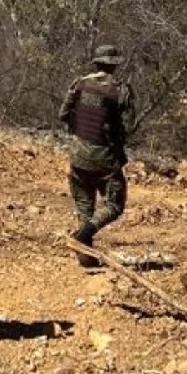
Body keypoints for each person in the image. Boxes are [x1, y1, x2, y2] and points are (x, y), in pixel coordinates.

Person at [59, 45, 133, 267]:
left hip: (78, 154)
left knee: (84, 204)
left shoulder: (79, 84)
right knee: (115, 204)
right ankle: (86, 233)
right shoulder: (120, 90)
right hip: (104, 158)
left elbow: (63, 114)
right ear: (114, 65)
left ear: (97, 63)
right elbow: (128, 124)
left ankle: (85, 256)